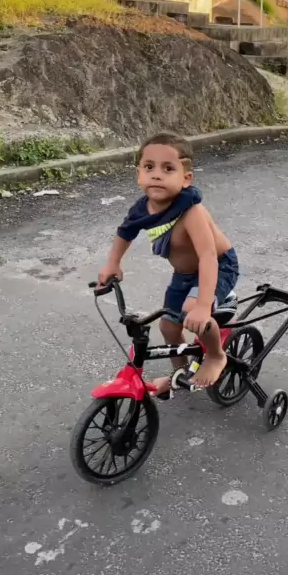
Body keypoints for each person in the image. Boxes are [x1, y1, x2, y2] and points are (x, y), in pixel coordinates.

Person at [98, 132, 239, 396]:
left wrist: (203, 306)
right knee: (168, 325)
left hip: (219, 266)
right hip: (183, 273)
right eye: (149, 167)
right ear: (138, 174)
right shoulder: (142, 209)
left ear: (186, 178)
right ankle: (180, 372)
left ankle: (216, 355)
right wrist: (112, 264)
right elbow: (125, 233)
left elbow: (208, 256)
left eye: (168, 168)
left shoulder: (191, 211)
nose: (156, 175)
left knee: (193, 310)